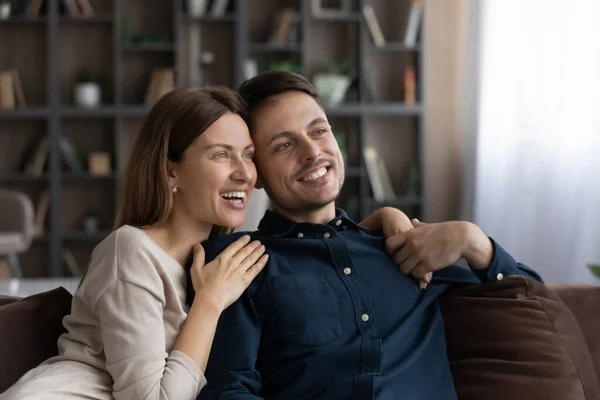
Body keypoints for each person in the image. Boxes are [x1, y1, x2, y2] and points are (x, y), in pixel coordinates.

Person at [0, 86, 417, 400]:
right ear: (171, 172)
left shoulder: (220, 251)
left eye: (249, 155)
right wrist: (210, 303)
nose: (245, 174)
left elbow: (319, 247)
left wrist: (379, 222)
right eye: (221, 155)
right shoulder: (130, 252)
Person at [188, 71, 543, 400]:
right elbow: (228, 388)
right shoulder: (238, 263)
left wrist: (472, 240)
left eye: (319, 131)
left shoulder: (405, 248)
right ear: (256, 172)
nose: (313, 153)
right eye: (284, 145)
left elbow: (535, 307)